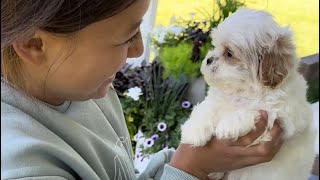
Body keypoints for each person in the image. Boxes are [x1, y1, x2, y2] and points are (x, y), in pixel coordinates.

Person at [1, 0, 283, 179]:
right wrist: (188, 170)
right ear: (33, 45)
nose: (138, 50)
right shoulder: (19, 163)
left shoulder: (86, 88)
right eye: (126, 37)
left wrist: (192, 159)